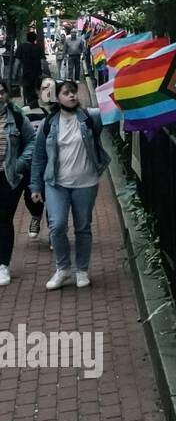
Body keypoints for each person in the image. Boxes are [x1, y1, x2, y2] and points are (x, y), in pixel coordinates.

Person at [30, 81, 110, 290]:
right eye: (66, 93)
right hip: (57, 183)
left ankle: (81, 270)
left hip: (86, 182)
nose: (72, 96)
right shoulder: (49, 124)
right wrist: (35, 187)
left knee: (83, 228)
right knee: (56, 227)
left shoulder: (90, 117)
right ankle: (63, 268)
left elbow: (111, 109)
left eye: (73, 92)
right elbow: (39, 157)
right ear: (57, 97)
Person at [0, 82, 36, 286]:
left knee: (4, 218)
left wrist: (20, 163)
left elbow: (32, 140)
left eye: (2, 92)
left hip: (8, 176)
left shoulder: (17, 116)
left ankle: (3, 264)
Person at [20, 77, 55, 239]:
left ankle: (54, 232)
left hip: (55, 162)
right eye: (44, 89)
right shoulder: (26, 111)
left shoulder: (60, 110)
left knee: (54, 198)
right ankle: (36, 215)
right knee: (30, 196)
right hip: (32, 161)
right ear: (37, 91)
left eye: (52, 89)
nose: (48, 92)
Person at [15, 30, 45, 107]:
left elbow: (17, 62)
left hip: (26, 74)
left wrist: (15, 73)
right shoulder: (39, 47)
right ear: (35, 39)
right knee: (36, 91)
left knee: (27, 91)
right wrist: (45, 72)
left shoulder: (21, 47)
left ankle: (28, 105)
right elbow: (43, 62)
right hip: (37, 74)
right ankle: (35, 104)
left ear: (27, 38)